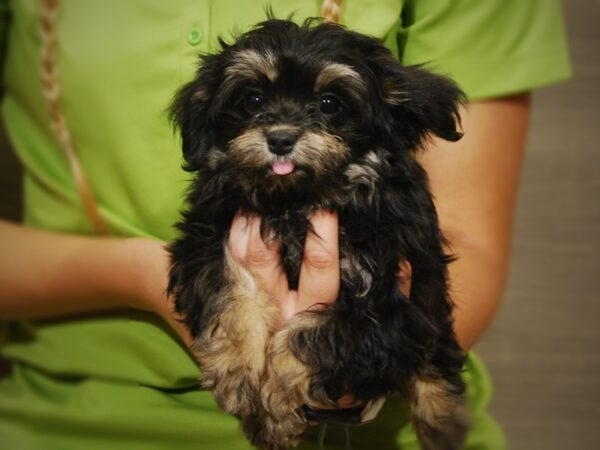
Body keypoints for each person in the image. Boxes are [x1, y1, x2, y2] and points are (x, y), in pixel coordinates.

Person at [0, 1, 571, 449]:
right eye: (250, 101)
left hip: (381, 435)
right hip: (74, 422)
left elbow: (456, 260)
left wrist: (334, 363)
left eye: (328, 108)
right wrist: (152, 278)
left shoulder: (388, 196)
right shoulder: (217, 194)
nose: (280, 129)